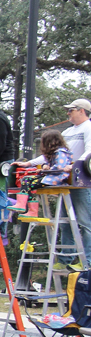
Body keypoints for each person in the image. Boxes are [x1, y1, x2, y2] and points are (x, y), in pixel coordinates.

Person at [12, 130, 73, 223]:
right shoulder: (53, 153)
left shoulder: (60, 152)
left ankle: (29, 208)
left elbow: (59, 167)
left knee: (30, 184)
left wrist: (46, 170)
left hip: (57, 178)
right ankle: (25, 206)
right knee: (26, 179)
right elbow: (50, 165)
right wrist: (45, 166)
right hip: (51, 176)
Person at [60, 99, 91, 267]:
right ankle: (66, 259)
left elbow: (89, 151)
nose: (68, 113)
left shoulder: (88, 127)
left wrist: (74, 166)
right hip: (65, 183)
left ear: (82, 111)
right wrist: (30, 163)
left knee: (86, 223)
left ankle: (87, 262)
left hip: (83, 182)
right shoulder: (67, 132)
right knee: (65, 223)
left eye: (71, 110)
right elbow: (54, 153)